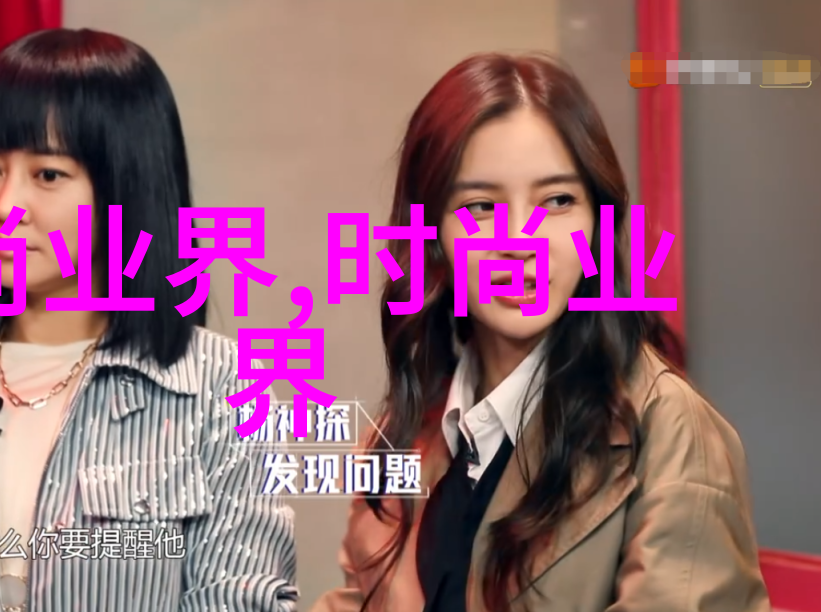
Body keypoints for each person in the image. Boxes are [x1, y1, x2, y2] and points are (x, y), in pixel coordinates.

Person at [0, 28, 298, 612]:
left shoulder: (227, 387)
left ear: (127, 187)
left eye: (48, 175)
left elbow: (240, 599)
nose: (5, 207)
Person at [309, 53, 771, 612]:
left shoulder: (671, 430)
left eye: (557, 201)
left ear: (598, 221)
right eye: (481, 207)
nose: (520, 242)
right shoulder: (411, 430)